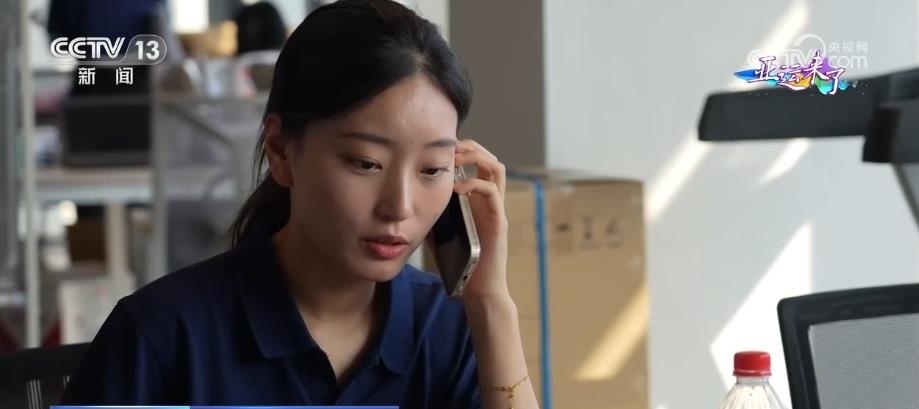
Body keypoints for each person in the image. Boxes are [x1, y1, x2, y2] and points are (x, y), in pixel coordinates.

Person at [59, 1, 539, 408]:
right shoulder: (162, 335)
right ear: (282, 151)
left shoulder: (448, 329)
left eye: (432, 169)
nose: (399, 206)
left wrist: (492, 304)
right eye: (365, 163)